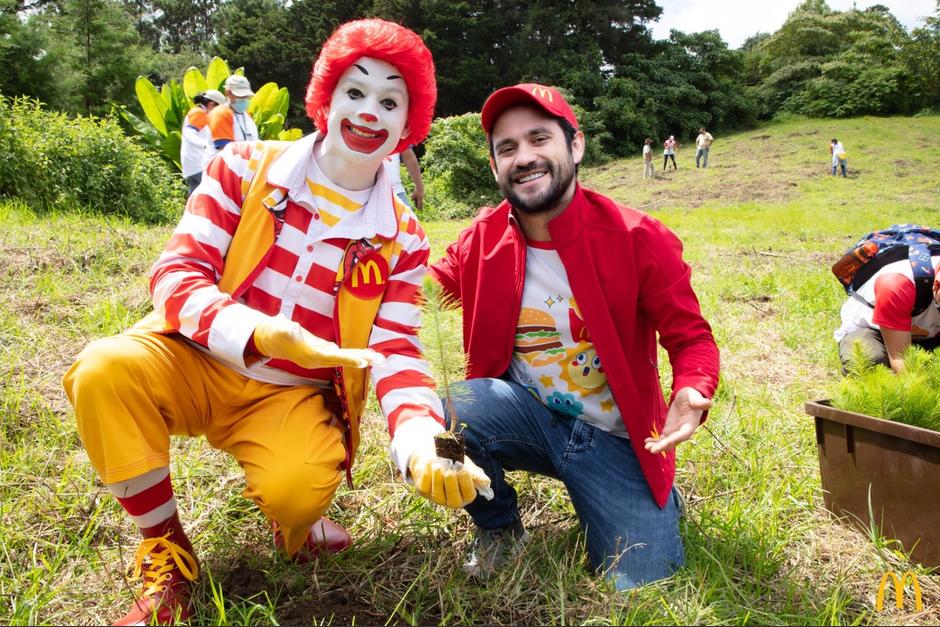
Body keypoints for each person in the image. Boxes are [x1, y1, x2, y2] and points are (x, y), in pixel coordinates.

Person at [62, 19, 490, 625]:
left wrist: (420, 441)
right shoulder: (241, 167)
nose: (370, 112)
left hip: (291, 395)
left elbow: (395, 347)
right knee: (103, 371)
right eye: (356, 92)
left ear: (407, 126)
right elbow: (176, 274)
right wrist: (256, 332)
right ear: (326, 97)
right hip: (196, 357)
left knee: (297, 490)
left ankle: (294, 512)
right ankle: (165, 546)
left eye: (391, 102)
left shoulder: (404, 238)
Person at [429, 83, 720, 590]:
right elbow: (413, 296)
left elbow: (691, 336)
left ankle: (653, 498)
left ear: (576, 146)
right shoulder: (481, 240)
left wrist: (693, 387)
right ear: (495, 166)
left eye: (539, 139)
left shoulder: (637, 236)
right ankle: (498, 528)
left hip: (618, 440)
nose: (525, 157)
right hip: (528, 418)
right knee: (441, 412)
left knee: (641, 581)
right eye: (507, 148)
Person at [834, 256, 940, 374]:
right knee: (870, 363)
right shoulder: (897, 284)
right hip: (875, 332)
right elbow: (900, 360)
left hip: (929, 334)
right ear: (937, 286)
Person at [203, 74, 260, 167]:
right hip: (221, 170)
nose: (243, 99)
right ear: (228, 93)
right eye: (240, 95)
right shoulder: (220, 113)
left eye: (246, 96)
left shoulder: (247, 116)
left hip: (242, 169)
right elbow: (226, 149)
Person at [180, 90, 225, 196]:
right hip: (198, 163)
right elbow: (188, 133)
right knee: (214, 193)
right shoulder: (199, 113)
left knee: (195, 196)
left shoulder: (202, 113)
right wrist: (206, 145)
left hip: (193, 164)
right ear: (211, 105)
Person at [384, 144, 424, 210]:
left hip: (396, 191)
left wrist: (419, 187)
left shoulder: (398, 135)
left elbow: (409, 158)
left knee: (408, 219)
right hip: (366, 193)